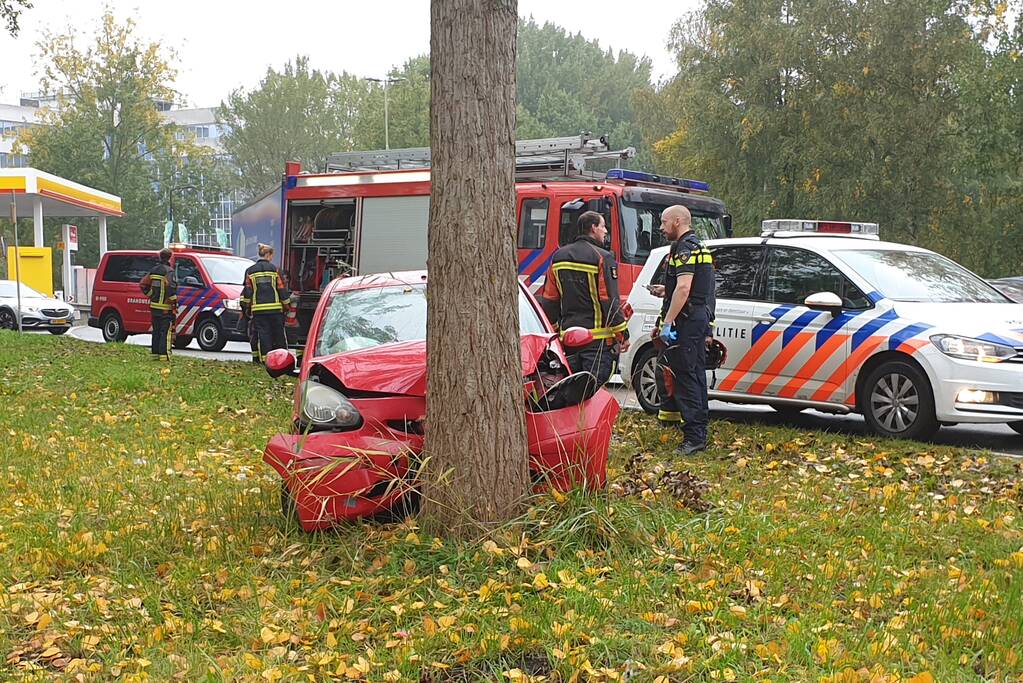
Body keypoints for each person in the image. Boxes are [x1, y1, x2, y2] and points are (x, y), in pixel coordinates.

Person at [539, 211, 629, 386]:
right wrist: (623, 334)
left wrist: (555, 332)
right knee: (591, 390)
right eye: (603, 226)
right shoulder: (603, 257)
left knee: (572, 390)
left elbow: (550, 299)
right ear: (593, 228)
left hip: (568, 342)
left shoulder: (558, 257)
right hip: (597, 343)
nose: (606, 231)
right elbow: (609, 300)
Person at [656, 205, 715, 455]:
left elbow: (684, 289)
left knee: (686, 376)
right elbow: (704, 290)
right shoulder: (700, 247)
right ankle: (699, 431)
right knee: (695, 374)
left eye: (664, 222)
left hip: (688, 320)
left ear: (677, 221)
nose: (661, 227)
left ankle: (694, 438)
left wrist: (667, 322)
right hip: (698, 317)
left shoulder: (684, 248)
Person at [241, 243, 292, 362]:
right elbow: (281, 288)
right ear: (268, 255)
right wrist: (286, 306)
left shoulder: (250, 271)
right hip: (275, 310)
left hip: (259, 310)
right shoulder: (275, 270)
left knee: (264, 335)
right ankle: (282, 360)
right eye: (271, 255)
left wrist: (246, 308)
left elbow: (247, 291)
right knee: (279, 334)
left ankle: (266, 360)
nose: (272, 258)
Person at [139, 247, 178, 360]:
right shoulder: (169, 271)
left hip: (154, 307)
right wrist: (174, 303)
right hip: (166, 308)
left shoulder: (153, 270)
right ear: (170, 258)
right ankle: (164, 356)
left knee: (156, 331)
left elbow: (143, 285)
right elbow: (171, 288)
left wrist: (152, 295)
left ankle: (154, 355)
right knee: (165, 332)